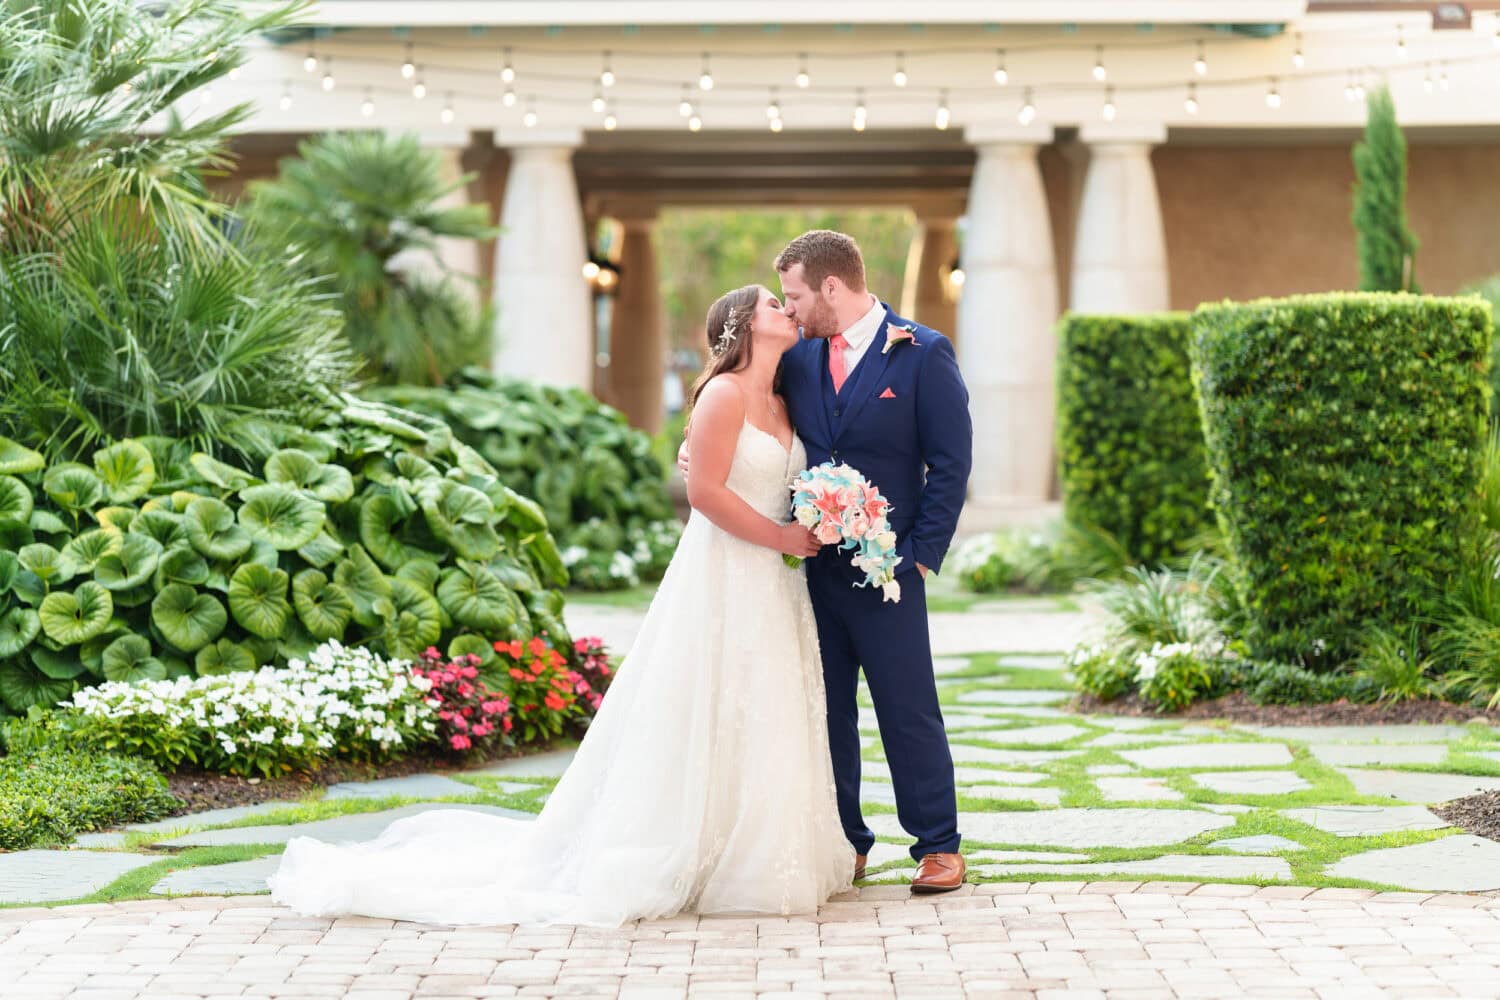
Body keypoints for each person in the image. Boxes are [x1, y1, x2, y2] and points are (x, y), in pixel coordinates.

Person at [266, 283, 855, 926]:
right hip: (729, 572)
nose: (787, 312)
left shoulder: (783, 394)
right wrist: (782, 537)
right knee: (712, 699)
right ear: (743, 325)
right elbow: (706, 493)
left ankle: (765, 852)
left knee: (769, 703)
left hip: (775, 581)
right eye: (775, 305)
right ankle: (688, 850)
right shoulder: (723, 394)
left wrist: (822, 515)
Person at [679, 229, 973, 892]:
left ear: (831, 287)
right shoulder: (800, 357)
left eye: (796, 294)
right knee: (823, 709)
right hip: (807, 570)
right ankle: (845, 840)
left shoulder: (923, 353)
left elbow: (951, 465)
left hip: (890, 572)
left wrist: (920, 557)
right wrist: (689, 446)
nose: (791, 307)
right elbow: (737, 397)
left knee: (908, 705)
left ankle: (938, 844)